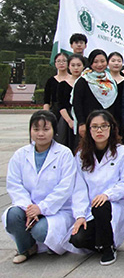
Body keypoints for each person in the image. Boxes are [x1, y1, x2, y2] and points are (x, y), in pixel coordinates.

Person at [3, 111, 76, 263]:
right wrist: (29, 208)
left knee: (40, 231)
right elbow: (15, 185)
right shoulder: (20, 155)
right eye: (36, 129)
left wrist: (41, 208)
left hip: (56, 209)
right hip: (28, 207)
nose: (41, 134)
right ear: (30, 130)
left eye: (46, 129)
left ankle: (51, 243)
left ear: (54, 131)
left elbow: (65, 188)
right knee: (12, 216)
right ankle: (26, 248)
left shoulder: (64, 154)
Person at [67, 110, 124, 265]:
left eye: (104, 126)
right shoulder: (81, 155)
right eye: (94, 127)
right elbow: (79, 188)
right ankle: (100, 243)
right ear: (89, 130)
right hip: (90, 208)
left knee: (101, 206)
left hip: (114, 205)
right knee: (77, 239)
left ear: (111, 128)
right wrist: (80, 215)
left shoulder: (122, 152)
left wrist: (107, 195)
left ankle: (108, 248)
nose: (99, 130)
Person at [73, 49, 120, 140]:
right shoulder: (83, 80)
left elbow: (116, 104)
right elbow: (77, 103)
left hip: (107, 124)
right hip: (89, 124)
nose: (99, 65)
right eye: (95, 62)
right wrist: (81, 123)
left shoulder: (111, 81)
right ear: (90, 63)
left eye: (102, 61)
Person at [56, 54, 85, 149]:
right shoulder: (63, 84)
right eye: (73, 65)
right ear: (68, 66)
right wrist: (69, 121)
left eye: (79, 65)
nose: (76, 68)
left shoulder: (88, 83)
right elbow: (61, 105)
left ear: (83, 66)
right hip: (68, 119)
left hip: (83, 117)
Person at [43, 52, 70, 118]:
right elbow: (46, 101)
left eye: (64, 61)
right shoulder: (51, 81)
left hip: (70, 111)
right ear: (55, 63)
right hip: (55, 112)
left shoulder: (73, 79)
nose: (61, 63)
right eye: (58, 61)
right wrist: (46, 116)